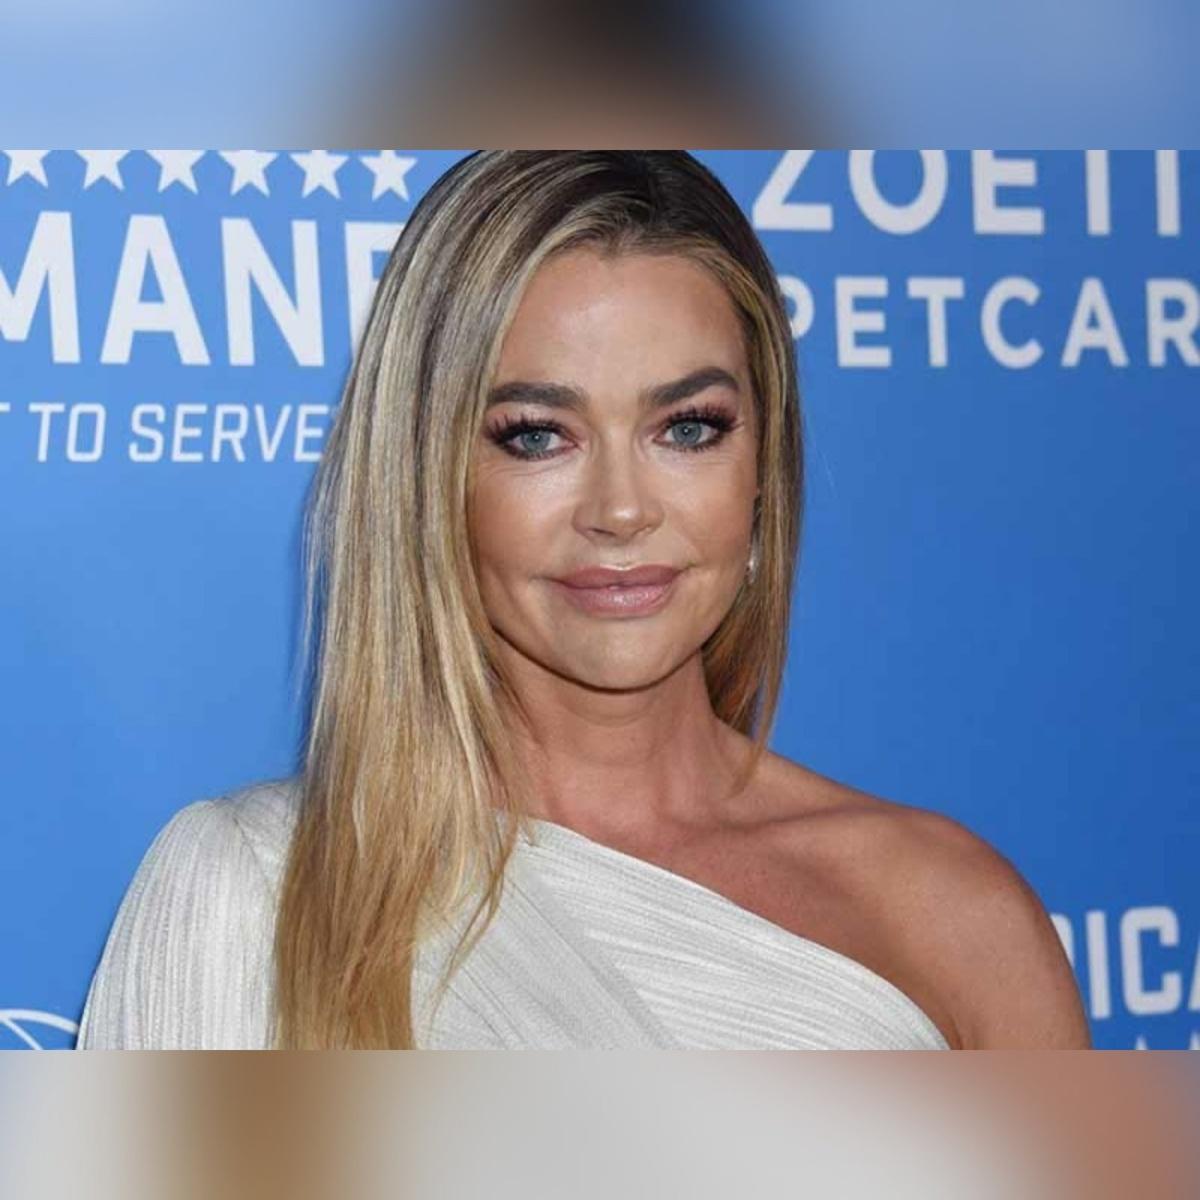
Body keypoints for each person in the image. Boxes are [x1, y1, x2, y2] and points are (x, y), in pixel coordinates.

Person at [76, 151, 1090, 1050]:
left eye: (687, 428)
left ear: (762, 468)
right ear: (427, 477)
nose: (620, 509)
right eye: (537, 435)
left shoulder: (954, 918)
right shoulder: (254, 893)